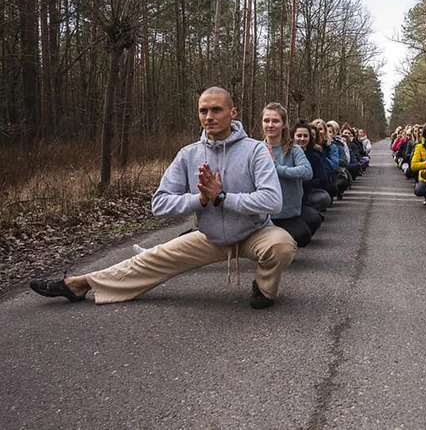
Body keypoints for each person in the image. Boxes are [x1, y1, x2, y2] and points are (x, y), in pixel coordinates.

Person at [29, 87, 296, 309]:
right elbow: (160, 203)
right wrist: (200, 201)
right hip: (211, 237)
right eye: (203, 110)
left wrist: (222, 196)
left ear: (232, 113)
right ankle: (81, 284)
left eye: (217, 110)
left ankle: (264, 289)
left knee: (282, 244)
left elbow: (272, 201)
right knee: (147, 260)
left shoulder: (255, 151)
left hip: (254, 233)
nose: (209, 116)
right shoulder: (189, 154)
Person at [264, 103, 320, 247]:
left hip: (289, 213)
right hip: (263, 215)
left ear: (283, 125)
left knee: (303, 235)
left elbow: (307, 172)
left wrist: (277, 168)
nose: (270, 125)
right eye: (266, 120)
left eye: (275, 121)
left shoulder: (294, 149)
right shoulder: (256, 149)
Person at [293, 121, 332, 213]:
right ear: (293, 136)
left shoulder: (314, 156)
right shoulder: (286, 154)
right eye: (299, 136)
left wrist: (304, 183)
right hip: (289, 192)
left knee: (324, 198)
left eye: (305, 136)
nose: (302, 139)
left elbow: (323, 180)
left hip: (308, 191)